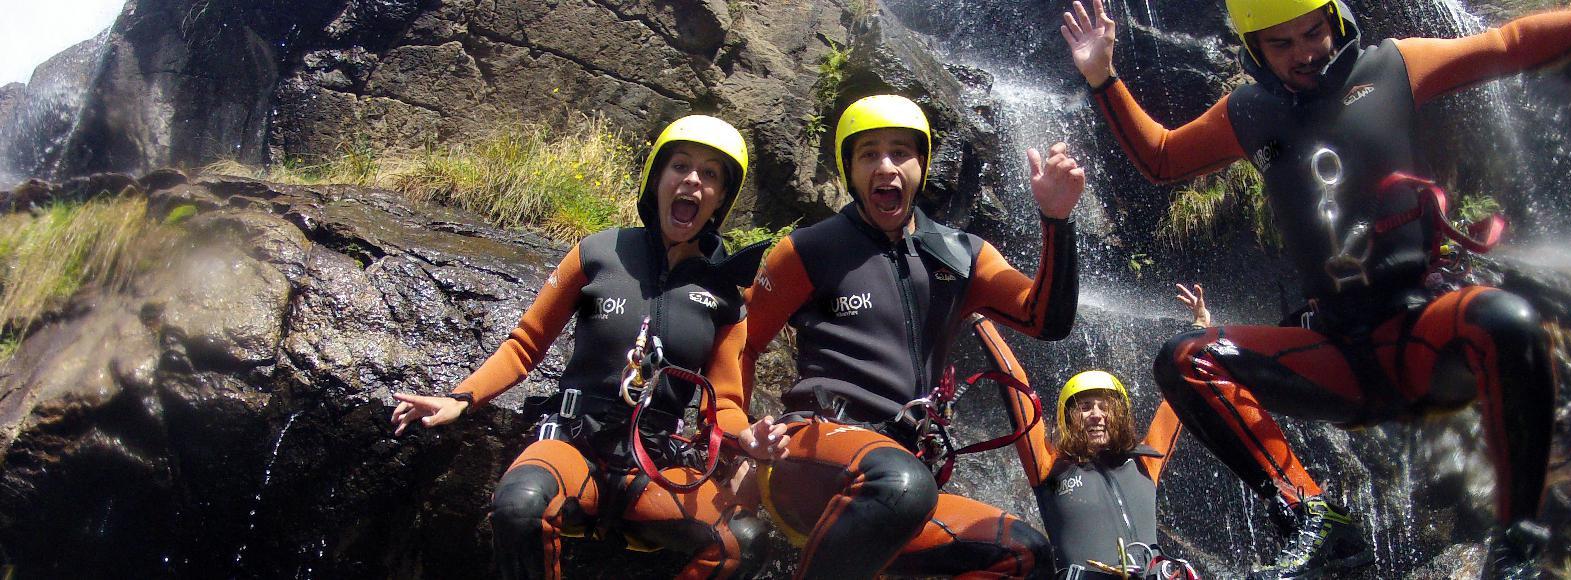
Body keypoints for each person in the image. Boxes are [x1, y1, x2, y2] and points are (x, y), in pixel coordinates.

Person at [1060, 0, 1571, 576]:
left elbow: (1507, 43)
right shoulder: (1248, 113)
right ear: (1253, 49)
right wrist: (1102, 77)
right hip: (1336, 350)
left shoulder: (1392, 65)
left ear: (1337, 19)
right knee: (1184, 360)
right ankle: (1314, 518)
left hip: (1421, 327)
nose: (1305, 52)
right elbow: (1163, 157)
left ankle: (1517, 546)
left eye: (1313, 33)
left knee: (1506, 320)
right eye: (1282, 44)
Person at [707, 93, 1085, 579]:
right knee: (900, 483)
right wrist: (737, 429)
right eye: (869, 154)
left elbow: (1045, 319)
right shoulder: (809, 250)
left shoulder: (962, 254)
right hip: (817, 452)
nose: (886, 167)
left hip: (906, 476)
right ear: (850, 171)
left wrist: (1057, 221)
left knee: (1026, 555)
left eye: (900, 153)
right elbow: (744, 340)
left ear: (922, 166)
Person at [389, 115, 772, 580]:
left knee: (742, 544)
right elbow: (525, 345)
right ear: (657, 180)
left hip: (653, 466)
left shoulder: (727, 296)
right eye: (681, 166)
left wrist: (746, 436)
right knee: (519, 506)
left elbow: (725, 401)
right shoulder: (597, 253)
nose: (693, 179)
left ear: (719, 201)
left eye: (710, 174)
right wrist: (459, 398)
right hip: (575, 442)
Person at [981, 285, 1210, 580]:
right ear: (1069, 417)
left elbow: (1178, 395)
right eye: (1086, 407)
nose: (1097, 415)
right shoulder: (1049, 467)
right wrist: (980, 317)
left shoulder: (1145, 463)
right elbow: (1015, 385)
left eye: (1106, 407)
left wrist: (1199, 329)